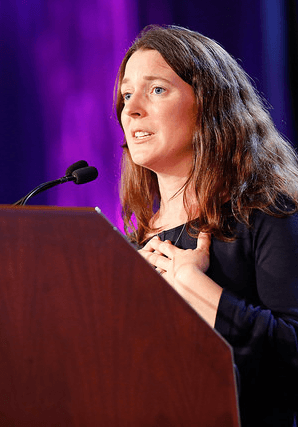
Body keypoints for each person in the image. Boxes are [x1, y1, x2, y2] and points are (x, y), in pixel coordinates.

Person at [115, 24, 298, 426]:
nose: (131, 109)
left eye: (156, 90)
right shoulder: (130, 246)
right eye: (127, 95)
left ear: (209, 103)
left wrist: (198, 288)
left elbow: (292, 358)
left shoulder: (266, 213)